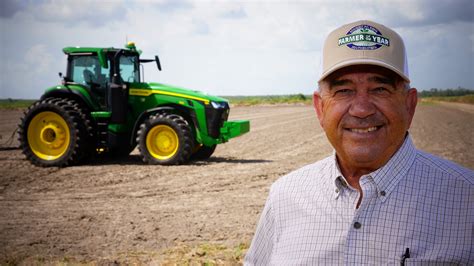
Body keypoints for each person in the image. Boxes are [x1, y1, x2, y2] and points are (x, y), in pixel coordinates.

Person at [245, 20, 473, 265]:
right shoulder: (285, 196)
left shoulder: (467, 200)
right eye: (343, 91)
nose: (362, 109)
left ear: (409, 105)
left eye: (380, 89)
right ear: (320, 108)